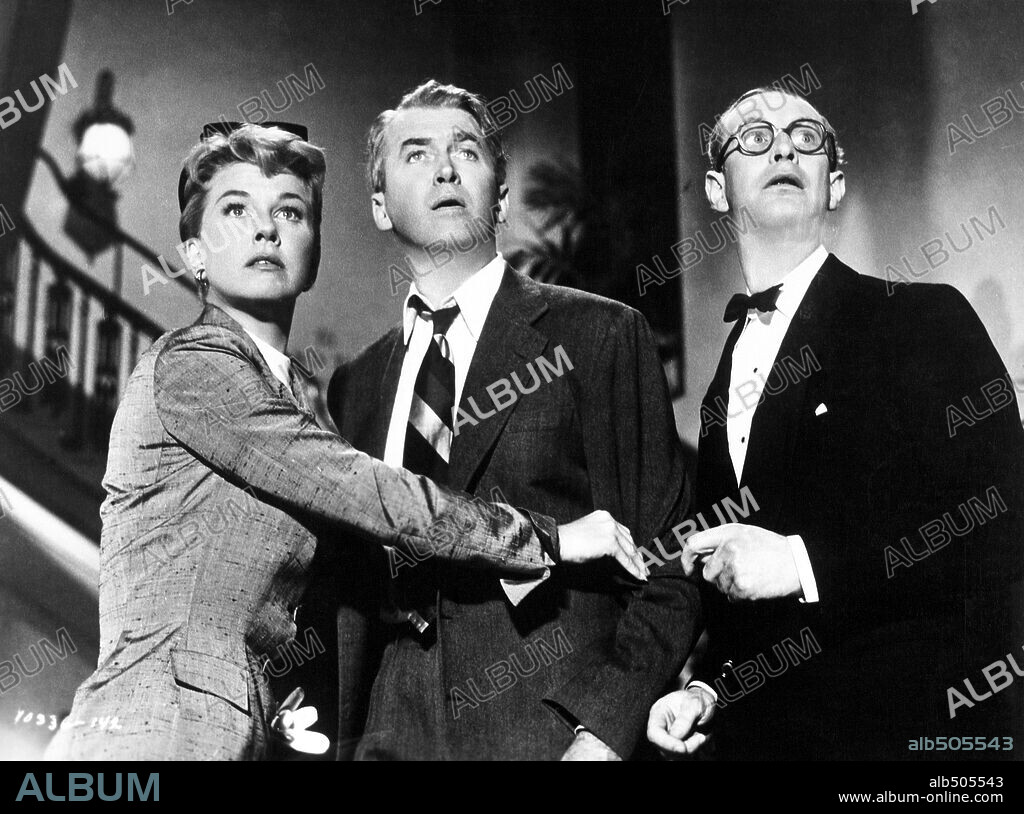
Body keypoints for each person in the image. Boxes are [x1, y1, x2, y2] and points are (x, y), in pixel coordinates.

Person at [43, 122, 645, 761]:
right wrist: (549, 538)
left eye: (290, 212)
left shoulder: (295, 399)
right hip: (150, 730)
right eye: (235, 210)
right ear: (194, 252)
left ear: (314, 251)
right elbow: (367, 491)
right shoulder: (195, 365)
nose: (265, 229)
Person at [323, 81, 700, 761]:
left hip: (545, 733)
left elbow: (670, 563)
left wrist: (601, 732)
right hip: (386, 732)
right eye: (416, 154)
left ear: (499, 198)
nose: (444, 169)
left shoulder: (598, 335)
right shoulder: (357, 386)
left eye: (466, 151)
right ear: (379, 205)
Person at [647, 88, 1024, 761]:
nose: (783, 148)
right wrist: (709, 689)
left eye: (805, 137)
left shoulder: (921, 319)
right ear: (715, 189)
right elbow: (742, 594)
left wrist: (801, 562)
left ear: (836, 184)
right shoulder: (721, 383)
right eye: (754, 139)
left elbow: (1001, 521)